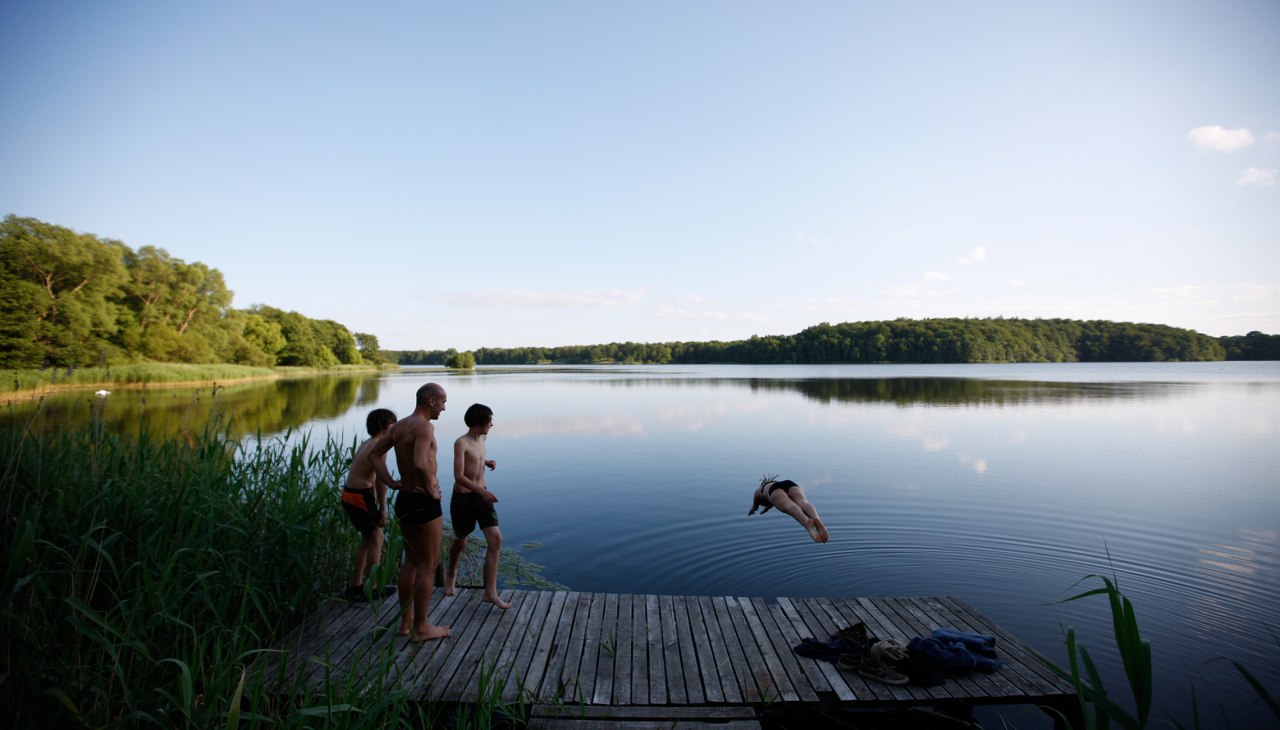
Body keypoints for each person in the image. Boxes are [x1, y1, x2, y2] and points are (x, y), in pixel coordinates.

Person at [390, 383, 452, 641]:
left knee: (411, 561)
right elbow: (419, 462)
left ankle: (406, 623)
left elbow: (373, 454)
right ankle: (422, 627)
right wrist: (430, 489)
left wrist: (391, 483)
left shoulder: (400, 426)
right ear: (430, 401)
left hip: (404, 498)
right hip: (422, 501)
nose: (444, 407)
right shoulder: (425, 426)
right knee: (429, 564)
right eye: (442, 402)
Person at [444, 403, 509, 609]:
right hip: (464, 498)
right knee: (461, 541)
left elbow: (476, 459)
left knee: (496, 538)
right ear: (478, 422)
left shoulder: (483, 438)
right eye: (489, 420)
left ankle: (490, 592)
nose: (491, 424)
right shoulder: (460, 443)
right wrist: (482, 491)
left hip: (482, 497)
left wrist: (486, 462)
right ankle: (451, 574)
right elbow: (459, 476)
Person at [339, 408, 400, 600]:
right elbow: (382, 480)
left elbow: (371, 477)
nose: (395, 426)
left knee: (367, 539)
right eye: (392, 422)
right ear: (383, 425)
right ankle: (372, 587)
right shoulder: (379, 447)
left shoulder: (368, 443)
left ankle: (355, 585)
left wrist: (374, 503)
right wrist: (383, 508)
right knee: (377, 537)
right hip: (358, 496)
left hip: (350, 494)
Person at [748, 475, 829, 543]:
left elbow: (755, 501)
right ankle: (817, 519)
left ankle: (807, 523)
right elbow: (771, 504)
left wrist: (753, 509)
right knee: (803, 503)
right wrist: (765, 509)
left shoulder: (760, 490)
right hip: (789, 483)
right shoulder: (768, 489)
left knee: (789, 506)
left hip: (774, 490)